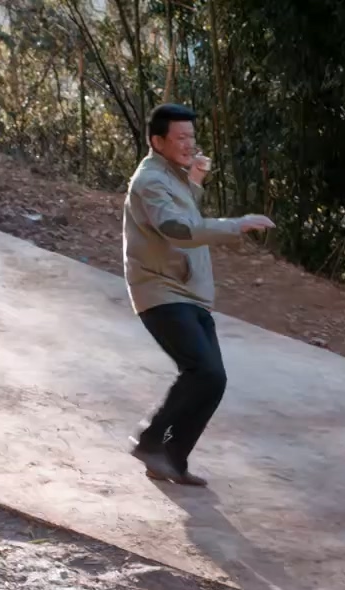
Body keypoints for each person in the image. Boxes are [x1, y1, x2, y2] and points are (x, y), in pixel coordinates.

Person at [123, 103, 275, 486]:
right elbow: (175, 227)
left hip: (189, 292)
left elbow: (181, 210)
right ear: (157, 141)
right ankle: (150, 441)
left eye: (192, 136)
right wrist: (236, 225)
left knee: (213, 378)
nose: (189, 144)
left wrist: (195, 179)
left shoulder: (171, 175)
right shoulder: (150, 180)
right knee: (202, 370)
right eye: (180, 137)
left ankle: (172, 458)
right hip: (160, 289)